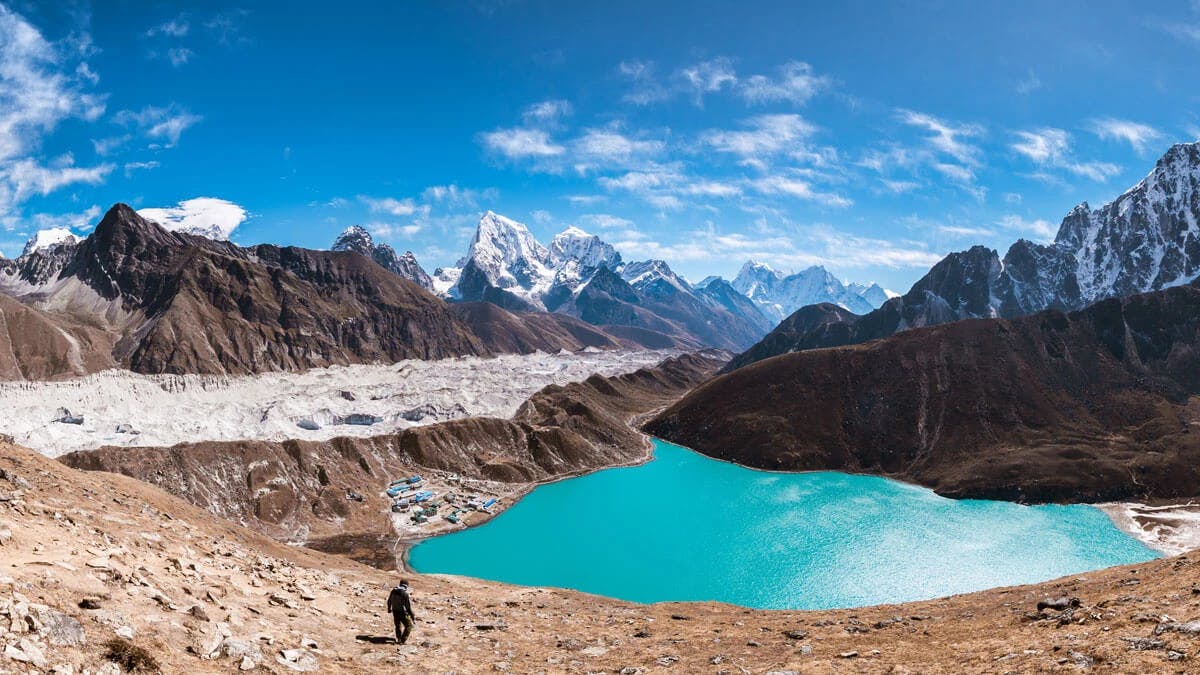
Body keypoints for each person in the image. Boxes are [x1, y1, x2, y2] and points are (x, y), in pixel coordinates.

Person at [387, 579, 417, 644]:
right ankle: (402, 641)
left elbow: (389, 601)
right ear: (406, 586)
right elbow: (408, 607)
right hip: (402, 612)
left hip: (395, 611)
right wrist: (412, 616)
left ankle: (399, 638)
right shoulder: (404, 594)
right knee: (409, 626)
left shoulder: (393, 591)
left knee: (398, 625)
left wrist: (389, 609)